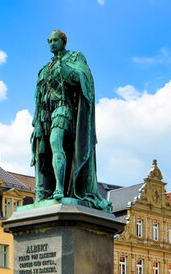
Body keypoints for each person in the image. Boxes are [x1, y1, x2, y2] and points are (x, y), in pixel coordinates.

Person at [31, 30, 111, 212]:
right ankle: (44, 191)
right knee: (42, 152)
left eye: (55, 40)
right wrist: (36, 123)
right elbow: (38, 97)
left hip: (63, 108)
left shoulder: (74, 58)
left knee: (55, 142)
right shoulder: (45, 69)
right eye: (49, 41)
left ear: (63, 41)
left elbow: (83, 79)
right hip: (45, 115)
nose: (51, 43)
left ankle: (60, 188)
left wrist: (66, 70)